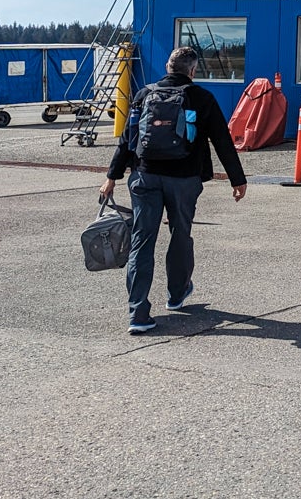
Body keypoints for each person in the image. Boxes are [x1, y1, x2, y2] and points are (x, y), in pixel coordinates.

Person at [101, 47, 248, 335]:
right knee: (180, 234)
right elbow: (222, 140)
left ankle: (138, 314)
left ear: (168, 67)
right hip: (184, 179)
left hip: (144, 176)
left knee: (143, 241)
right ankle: (176, 294)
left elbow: (127, 139)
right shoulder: (201, 97)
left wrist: (112, 176)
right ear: (192, 71)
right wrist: (237, 179)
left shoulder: (145, 94)